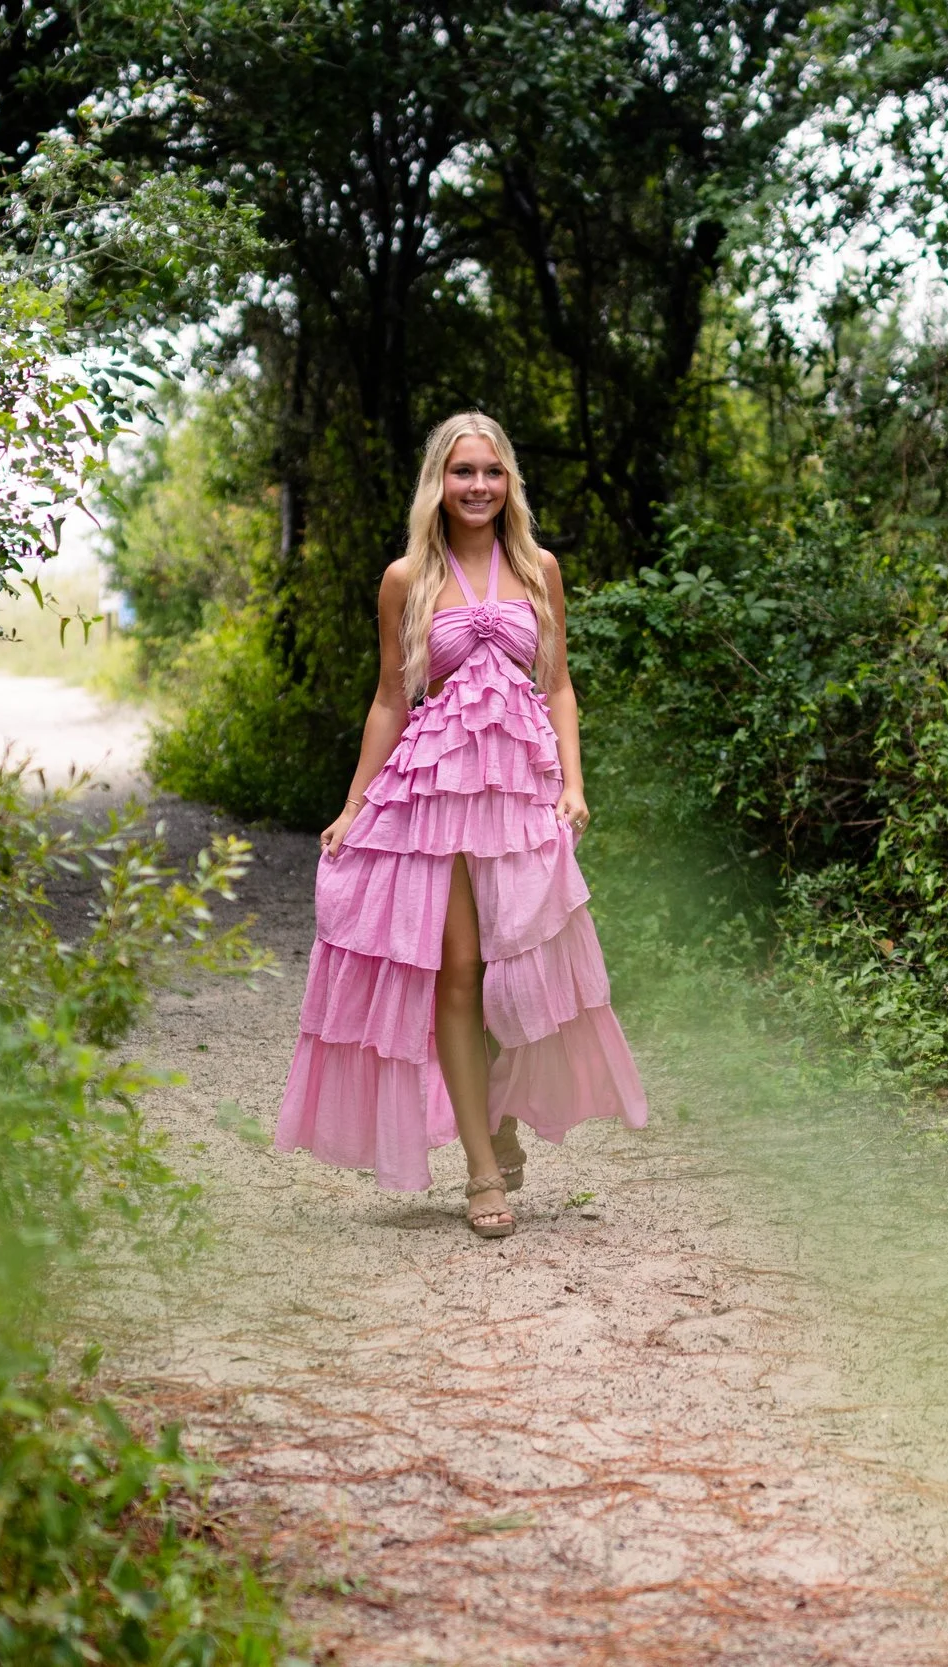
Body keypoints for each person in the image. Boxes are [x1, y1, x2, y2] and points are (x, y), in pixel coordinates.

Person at [272, 412, 647, 1237]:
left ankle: (501, 1111)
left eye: (491, 471)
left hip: (518, 794)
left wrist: (574, 784)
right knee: (458, 974)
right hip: (436, 796)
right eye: (461, 472)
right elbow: (388, 698)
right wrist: (353, 802)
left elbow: (558, 688)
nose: (477, 486)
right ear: (437, 484)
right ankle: (482, 1168)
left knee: (524, 972)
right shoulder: (407, 578)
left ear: (508, 481)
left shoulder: (537, 567)